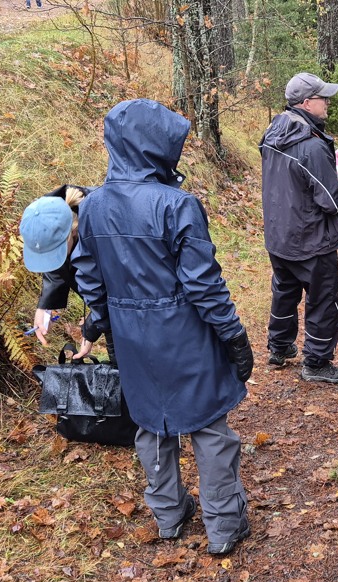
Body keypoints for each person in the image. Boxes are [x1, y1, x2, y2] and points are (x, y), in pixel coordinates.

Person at [71, 99, 254, 555]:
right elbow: (204, 285)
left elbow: (89, 276)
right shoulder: (178, 205)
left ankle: (169, 516)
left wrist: (103, 321)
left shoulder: (92, 206)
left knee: (151, 424)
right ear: (156, 147)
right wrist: (233, 335)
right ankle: (223, 527)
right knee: (209, 428)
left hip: (133, 338)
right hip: (185, 333)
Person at [259, 72, 338, 384]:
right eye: (323, 98)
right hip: (311, 237)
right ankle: (317, 361)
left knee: (284, 291)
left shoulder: (272, 134)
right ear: (307, 103)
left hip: (279, 234)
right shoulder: (310, 146)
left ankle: (279, 347)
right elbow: (330, 200)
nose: (328, 103)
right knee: (323, 298)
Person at [22, 185, 92, 347]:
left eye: (55, 251)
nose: (52, 258)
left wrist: (91, 329)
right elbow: (56, 264)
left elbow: (116, 296)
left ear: (73, 232)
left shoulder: (103, 231)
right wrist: (46, 307)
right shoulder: (47, 219)